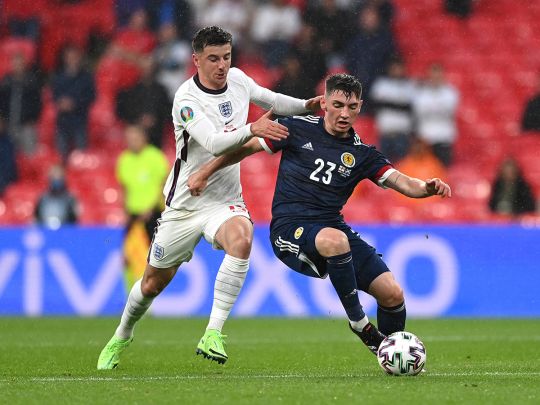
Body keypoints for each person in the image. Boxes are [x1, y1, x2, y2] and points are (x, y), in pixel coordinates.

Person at [97, 26, 321, 370]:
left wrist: (306, 106)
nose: (222, 65)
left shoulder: (238, 80)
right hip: (185, 204)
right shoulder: (186, 99)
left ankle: (213, 332)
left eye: (226, 57)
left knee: (242, 239)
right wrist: (253, 128)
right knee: (152, 283)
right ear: (196, 60)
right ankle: (122, 334)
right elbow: (215, 143)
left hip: (224, 200)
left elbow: (273, 101)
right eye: (213, 58)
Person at [187, 73, 451, 356]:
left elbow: (403, 182)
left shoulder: (362, 154)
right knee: (336, 240)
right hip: (290, 229)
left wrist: (426, 187)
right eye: (338, 105)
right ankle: (359, 322)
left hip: (332, 228)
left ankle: (391, 355)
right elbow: (245, 148)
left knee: (392, 293)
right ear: (324, 103)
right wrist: (204, 172)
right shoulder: (295, 128)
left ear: (360, 107)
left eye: (351, 107)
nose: (344, 113)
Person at [116, 125, 169, 291]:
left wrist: (152, 207)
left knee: (151, 259)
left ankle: (147, 294)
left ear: (144, 138)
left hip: (153, 215)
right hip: (133, 215)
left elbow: (164, 185)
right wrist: (125, 211)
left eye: (135, 138)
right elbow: (125, 189)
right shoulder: (124, 160)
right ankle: (130, 295)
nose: (132, 142)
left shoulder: (155, 157)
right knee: (127, 258)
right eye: (129, 139)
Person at [51, 45, 96, 162]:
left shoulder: (86, 77)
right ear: (65, 59)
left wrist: (74, 103)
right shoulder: (58, 77)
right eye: (69, 57)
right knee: (61, 157)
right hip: (62, 122)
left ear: (78, 58)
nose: (72, 59)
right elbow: (54, 96)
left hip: (79, 122)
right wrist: (60, 103)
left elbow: (91, 97)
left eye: (74, 57)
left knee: (81, 157)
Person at [412, 63, 459, 167]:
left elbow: (448, 110)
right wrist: (438, 107)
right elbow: (419, 111)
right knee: (425, 169)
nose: (435, 78)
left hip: (444, 137)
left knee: (442, 169)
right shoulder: (421, 92)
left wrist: (431, 107)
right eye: (433, 75)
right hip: (426, 138)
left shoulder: (450, 91)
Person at [35, 164, 78, 229]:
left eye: (59, 177)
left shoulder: (70, 198)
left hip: (65, 231)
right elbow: (36, 218)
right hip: (45, 231)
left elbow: (75, 220)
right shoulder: (42, 198)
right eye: (54, 177)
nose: (56, 180)